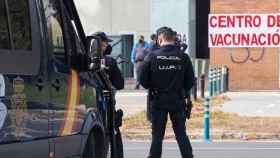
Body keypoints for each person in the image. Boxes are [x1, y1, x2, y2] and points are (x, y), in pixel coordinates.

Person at [139, 27, 195, 158]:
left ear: (160, 39)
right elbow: (190, 82)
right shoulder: (183, 57)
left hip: (158, 100)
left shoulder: (151, 56)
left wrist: (153, 85)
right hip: (177, 100)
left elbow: (143, 81)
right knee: (181, 134)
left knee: (157, 136)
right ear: (174, 39)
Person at [93, 32, 125, 158]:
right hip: (107, 106)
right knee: (114, 134)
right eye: (105, 44)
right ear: (102, 45)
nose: (107, 46)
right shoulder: (110, 61)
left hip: (87, 105)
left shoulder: (83, 60)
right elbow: (120, 83)